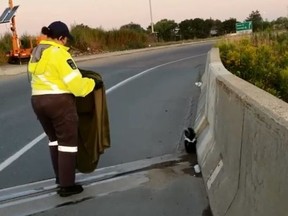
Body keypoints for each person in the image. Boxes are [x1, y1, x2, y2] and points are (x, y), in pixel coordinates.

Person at [28, 21, 102, 197]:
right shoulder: (59, 54)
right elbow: (77, 87)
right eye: (66, 39)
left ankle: (59, 177)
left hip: (37, 101)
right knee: (68, 143)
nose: (67, 42)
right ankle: (67, 186)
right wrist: (93, 83)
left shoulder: (37, 52)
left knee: (54, 140)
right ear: (60, 38)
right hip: (58, 102)